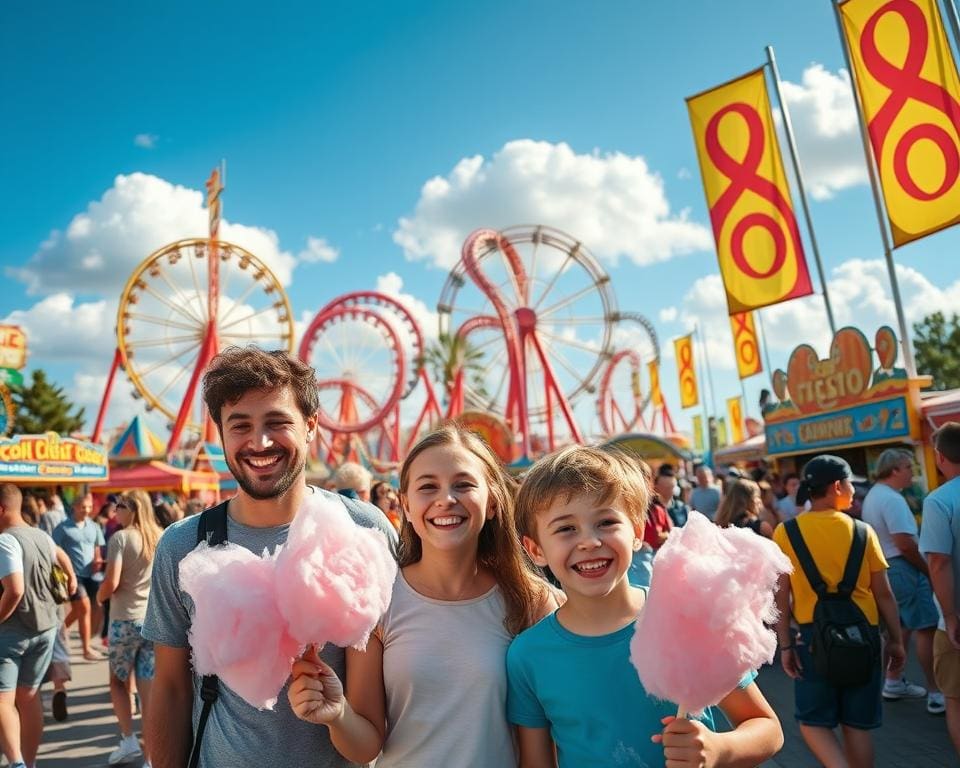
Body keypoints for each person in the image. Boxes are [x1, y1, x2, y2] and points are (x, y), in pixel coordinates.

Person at [142, 347, 396, 768]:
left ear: (311, 426)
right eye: (239, 425)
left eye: (277, 422)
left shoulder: (362, 529)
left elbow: (379, 700)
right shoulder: (184, 546)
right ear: (221, 433)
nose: (259, 442)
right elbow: (169, 686)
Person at [287, 423, 558, 766]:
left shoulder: (531, 601)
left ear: (492, 503)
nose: (446, 499)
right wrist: (337, 714)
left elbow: (547, 736)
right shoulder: (377, 600)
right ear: (406, 506)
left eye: (463, 485)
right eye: (428, 487)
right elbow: (366, 746)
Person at [503, 445, 782, 766]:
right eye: (566, 528)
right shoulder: (528, 656)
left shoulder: (686, 615)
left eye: (606, 522)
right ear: (536, 549)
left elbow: (768, 728)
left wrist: (718, 749)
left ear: (637, 531)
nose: (590, 541)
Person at [773, 455, 905, 768]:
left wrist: (787, 645)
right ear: (836, 486)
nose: (854, 493)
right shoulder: (863, 531)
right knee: (857, 725)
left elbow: (780, 597)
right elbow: (883, 594)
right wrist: (897, 640)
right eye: (850, 485)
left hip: (812, 639)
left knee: (814, 722)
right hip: (865, 638)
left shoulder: (786, 533)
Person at [0, 484, 77, 768]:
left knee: (3, 701)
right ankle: (28, 763)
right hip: (45, 628)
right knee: (30, 696)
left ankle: (17, 763)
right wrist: (72, 580)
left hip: (12, 632)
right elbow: (63, 557)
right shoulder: (41, 535)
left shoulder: (5, 541)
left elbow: (15, 590)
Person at [861, 448, 942, 713]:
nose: (912, 473)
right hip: (902, 565)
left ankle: (893, 681)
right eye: (908, 467)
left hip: (890, 567)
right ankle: (936, 691)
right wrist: (929, 570)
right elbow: (904, 543)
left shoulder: (876, 495)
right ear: (894, 470)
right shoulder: (891, 499)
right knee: (926, 628)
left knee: (901, 628)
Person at [97, 489, 163, 767]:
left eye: (120, 506)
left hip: (124, 620)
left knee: (118, 682)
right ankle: (150, 758)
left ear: (132, 508)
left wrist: (99, 597)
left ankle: (128, 739)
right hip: (152, 622)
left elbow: (111, 583)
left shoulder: (121, 538)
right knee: (149, 694)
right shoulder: (160, 535)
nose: (115, 511)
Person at [920, 422, 960, 753]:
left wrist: (950, 615)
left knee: (956, 700)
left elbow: (939, 563)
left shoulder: (939, 501)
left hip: (956, 620)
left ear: (938, 457)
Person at [52, 493, 105, 660]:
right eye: (83, 507)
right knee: (84, 607)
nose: (87, 510)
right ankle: (86, 649)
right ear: (74, 507)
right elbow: (54, 551)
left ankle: (58, 632)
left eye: (89, 507)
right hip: (73, 575)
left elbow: (97, 546)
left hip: (91, 574)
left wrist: (97, 558)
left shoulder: (94, 526)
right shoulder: (63, 528)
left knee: (79, 610)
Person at [654, 463, 689, 528]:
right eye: (666, 487)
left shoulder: (681, 507)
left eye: (672, 487)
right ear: (656, 488)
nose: (670, 491)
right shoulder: (651, 510)